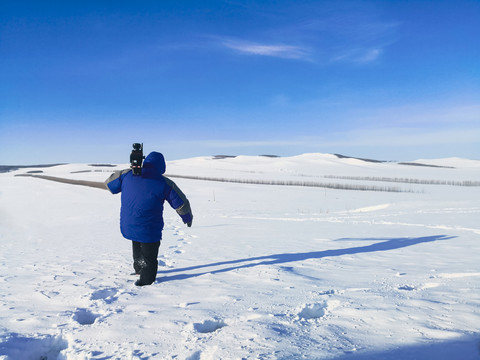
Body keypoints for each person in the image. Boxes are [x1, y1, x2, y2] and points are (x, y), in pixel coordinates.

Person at [104, 151, 193, 286]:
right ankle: (146, 282)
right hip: (149, 227)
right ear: (162, 166)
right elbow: (181, 202)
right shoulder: (164, 182)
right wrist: (187, 217)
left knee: (137, 241)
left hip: (129, 225)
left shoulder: (128, 175)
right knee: (149, 254)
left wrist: (126, 172)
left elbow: (109, 185)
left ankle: (138, 269)